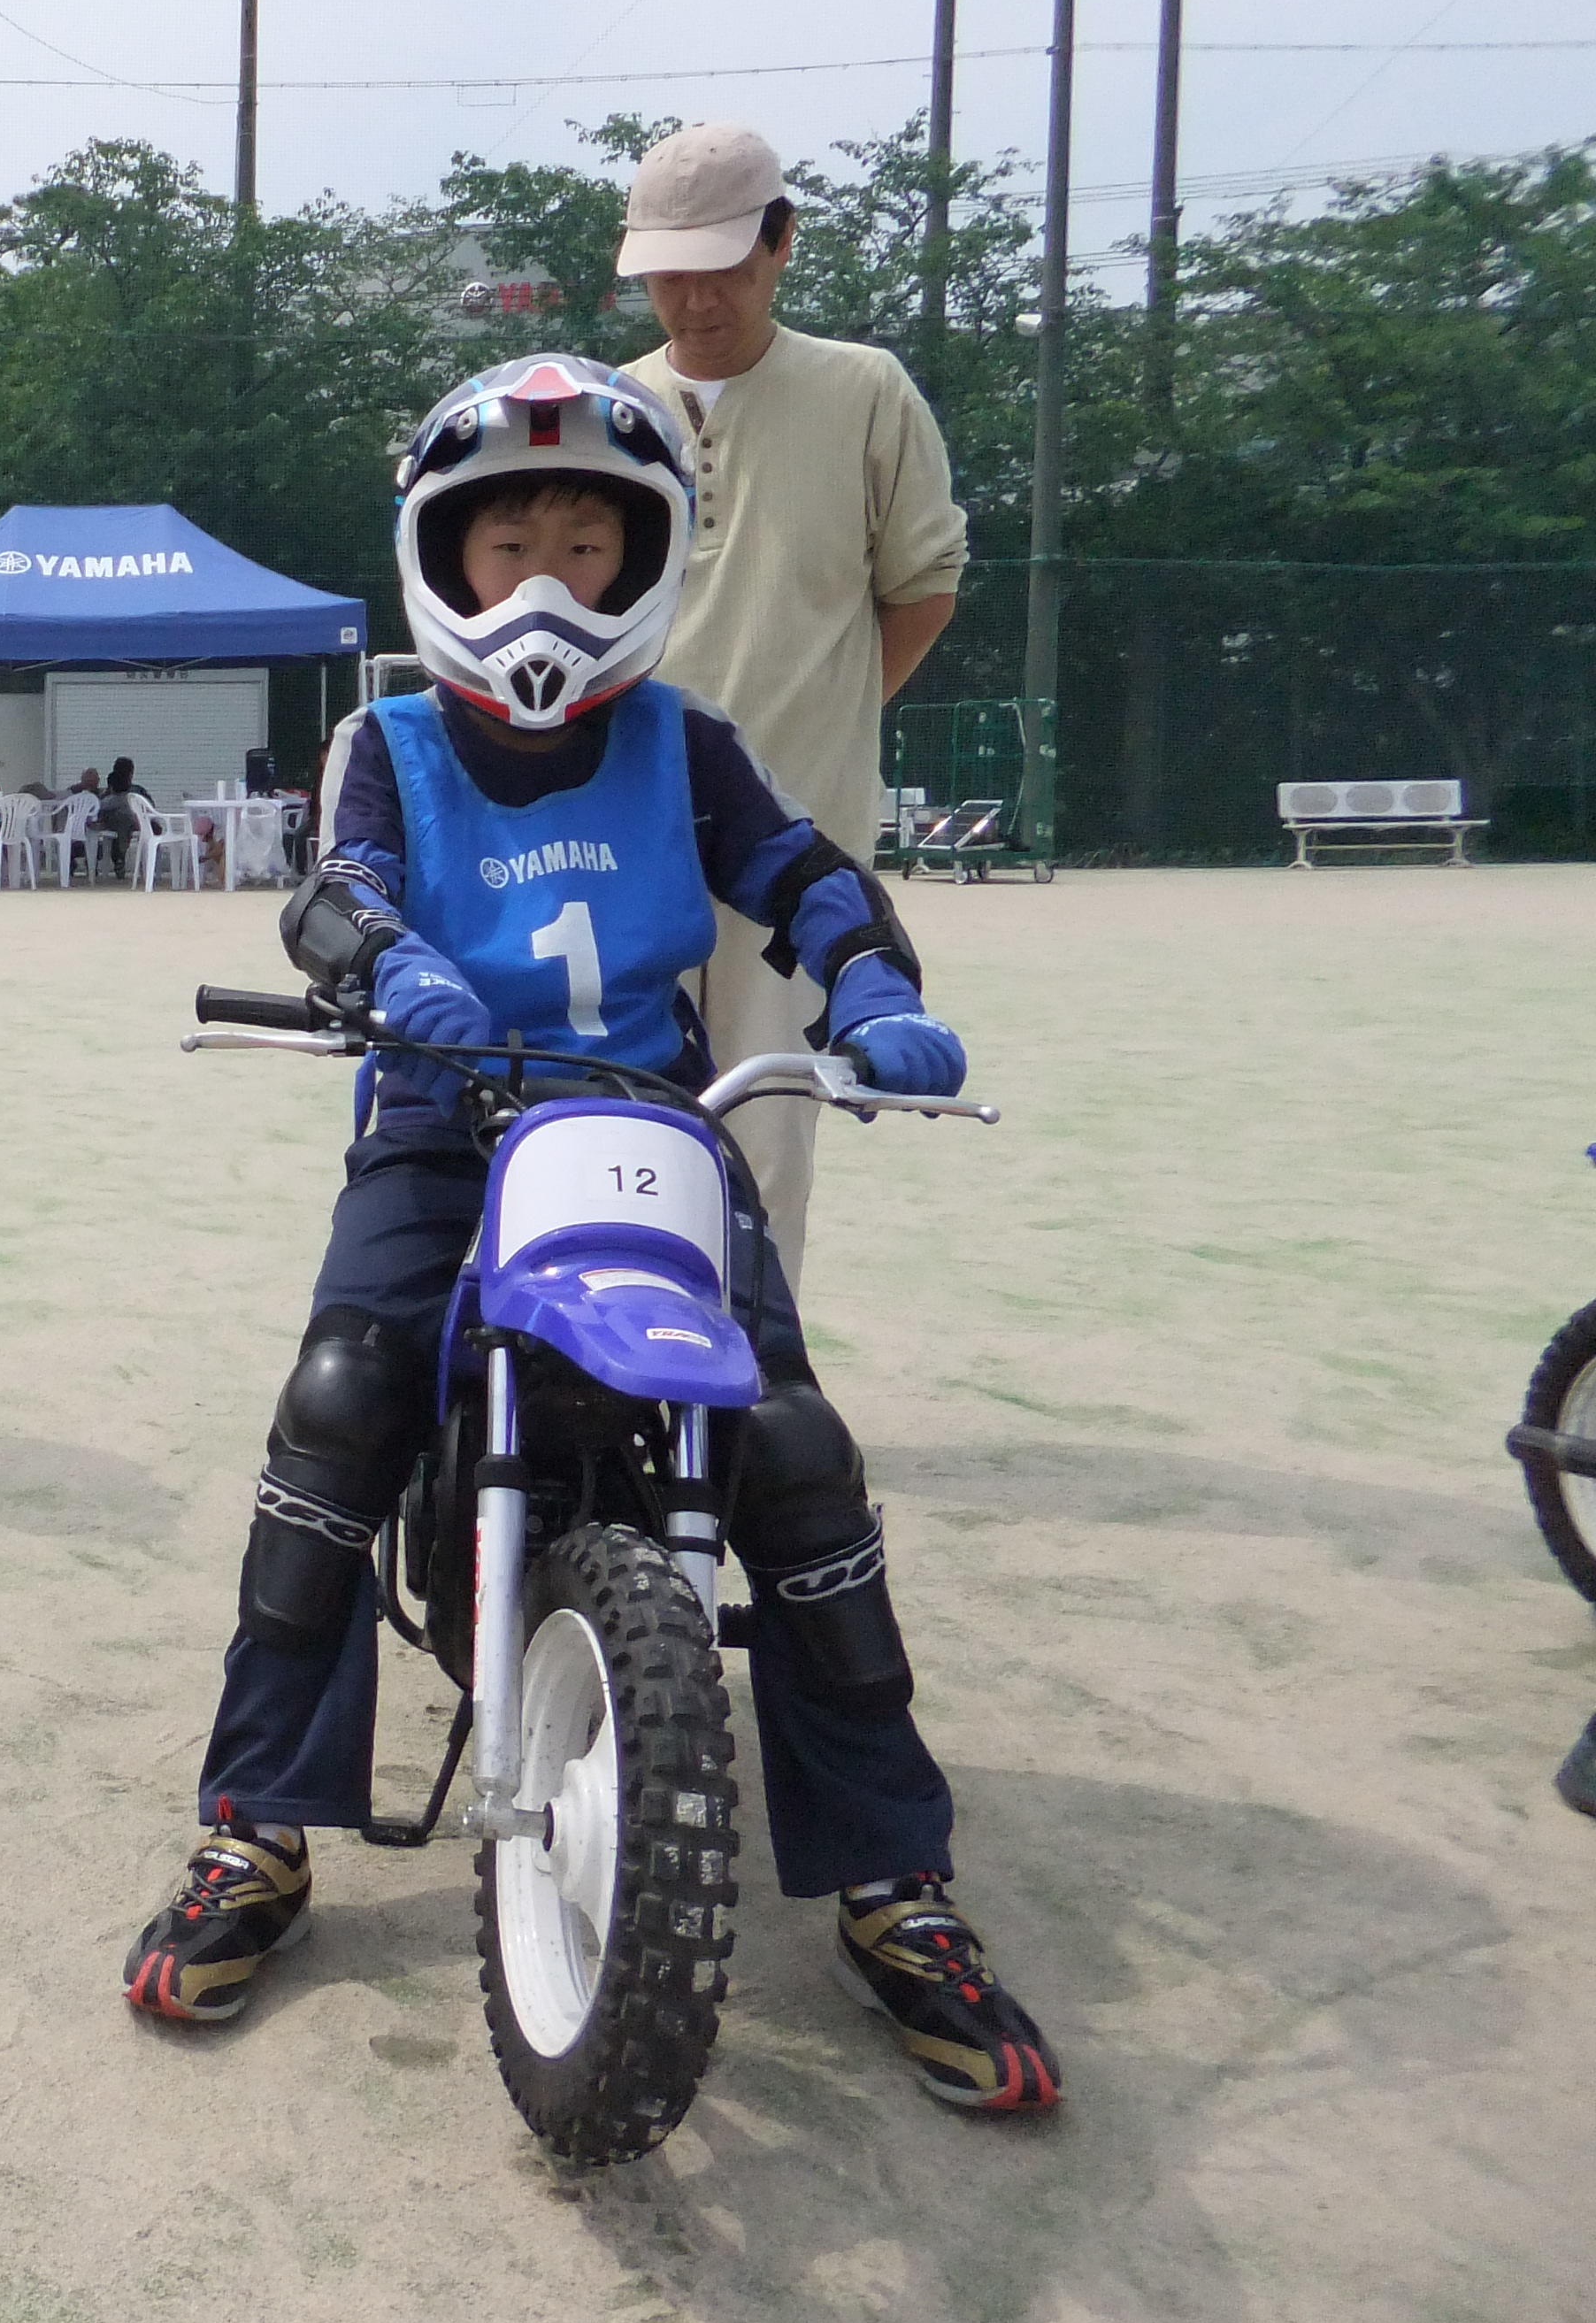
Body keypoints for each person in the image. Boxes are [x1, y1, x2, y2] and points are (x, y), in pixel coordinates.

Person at [119, 354, 1058, 2117]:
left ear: (647, 562)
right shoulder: (381, 738)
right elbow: (334, 888)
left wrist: (863, 977)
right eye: (504, 540)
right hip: (443, 1124)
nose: (543, 577)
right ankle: (256, 1822)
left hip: (646, 1127)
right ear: (439, 557)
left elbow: (800, 868)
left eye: (584, 538)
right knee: (342, 1398)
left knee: (789, 1447)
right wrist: (382, 964)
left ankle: (888, 1876)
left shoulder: (680, 738)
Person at [616, 122, 968, 1288]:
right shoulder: (611, 407)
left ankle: (754, 1397)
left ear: (783, 243)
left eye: (721, 263)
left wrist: (815, 732)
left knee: (767, 1133)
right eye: (670, 269)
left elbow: (921, 590)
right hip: (621, 836)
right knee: (619, 1118)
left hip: (794, 842)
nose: (695, 296)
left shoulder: (863, 390)